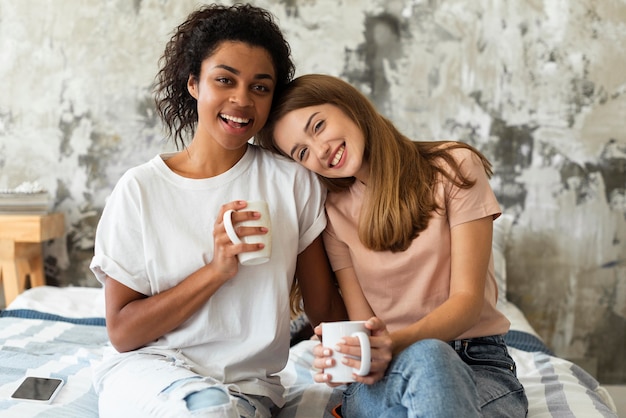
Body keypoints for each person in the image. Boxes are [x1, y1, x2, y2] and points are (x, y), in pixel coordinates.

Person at [89, 7, 346, 418]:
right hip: (149, 374)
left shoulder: (292, 182)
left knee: (220, 410)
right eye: (224, 80)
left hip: (248, 392)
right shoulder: (141, 190)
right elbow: (122, 332)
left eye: (260, 87)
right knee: (207, 411)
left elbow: (326, 311)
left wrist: (388, 343)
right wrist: (216, 271)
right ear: (194, 82)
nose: (241, 100)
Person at [255, 74, 528, 417]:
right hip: (386, 373)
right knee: (426, 366)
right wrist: (355, 351)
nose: (321, 150)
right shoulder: (334, 213)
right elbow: (363, 320)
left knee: (429, 361)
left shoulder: (454, 167)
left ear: (348, 105)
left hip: (478, 365)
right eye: (302, 152)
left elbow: (468, 302)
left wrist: (392, 343)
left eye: (319, 126)